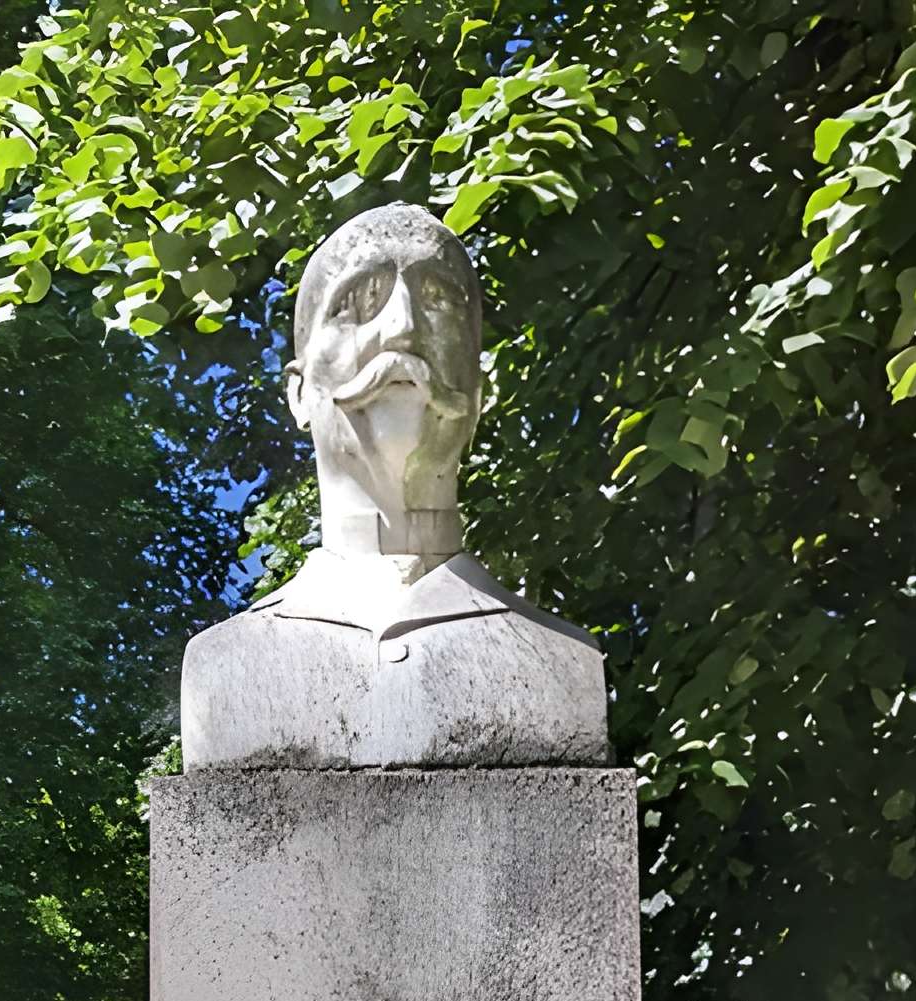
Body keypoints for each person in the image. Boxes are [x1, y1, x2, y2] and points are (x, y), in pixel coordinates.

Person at [181, 204, 609, 770]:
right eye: (357, 303)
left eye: (440, 302)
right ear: (299, 393)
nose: (403, 328)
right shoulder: (223, 668)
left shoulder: (566, 663)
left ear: (481, 391)